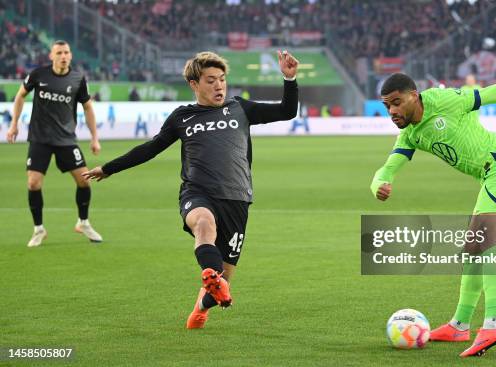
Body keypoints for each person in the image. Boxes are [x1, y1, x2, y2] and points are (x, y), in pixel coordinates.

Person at [82, 50, 299, 329]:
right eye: (210, 80)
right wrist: (109, 167)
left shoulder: (240, 108)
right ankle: (210, 274)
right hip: (197, 193)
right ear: (194, 84)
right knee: (204, 225)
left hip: (237, 198)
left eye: (221, 79)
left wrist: (289, 79)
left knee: (224, 278)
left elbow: (287, 111)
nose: (219, 85)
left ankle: (203, 303)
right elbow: (150, 148)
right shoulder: (182, 117)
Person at [371, 60, 496, 357]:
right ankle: (460, 325)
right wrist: (379, 183)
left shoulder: (443, 100)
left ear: (414, 95)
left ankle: (494, 323)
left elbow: (495, 93)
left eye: (396, 103)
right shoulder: (410, 133)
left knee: (488, 243)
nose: (392, 111)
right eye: (387, 106)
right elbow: (389, 166)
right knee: (473, 249)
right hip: (491, 176)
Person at [6, 40, 103, 247]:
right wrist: (14, 124)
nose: (63, 56)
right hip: (40, 138)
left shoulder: (78, 79)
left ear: (71, 55)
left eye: (66, 52)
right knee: (33, 183)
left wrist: (94, 137)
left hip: (66, 139)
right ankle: (39, 229)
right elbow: (20, 96)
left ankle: (83, 223)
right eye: (59, 52)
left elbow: (87, 107)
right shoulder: (38, 75)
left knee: (85, 180)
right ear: (51, 56)